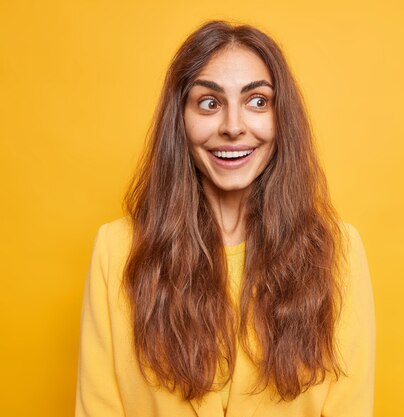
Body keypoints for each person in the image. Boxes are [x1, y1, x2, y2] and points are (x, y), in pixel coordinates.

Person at [75, 20, 375, 417]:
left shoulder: (339, 252)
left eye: (257, 101)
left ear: (281, 117)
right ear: (179, 119)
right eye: (209, 103)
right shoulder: (116, 250)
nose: (233, 127)